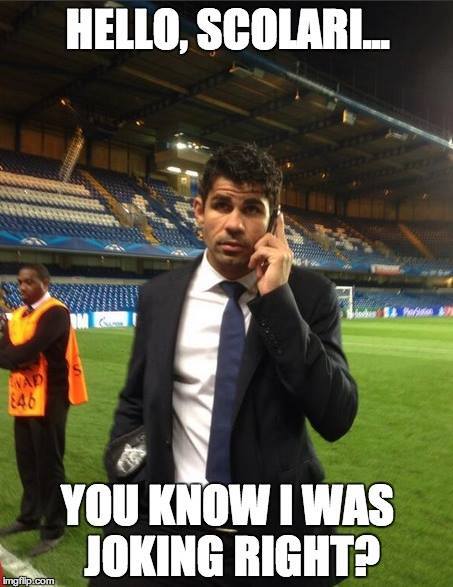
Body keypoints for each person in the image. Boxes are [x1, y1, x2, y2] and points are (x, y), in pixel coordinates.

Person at [97, 143, 358, 585]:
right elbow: (135, 401)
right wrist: (128, 481)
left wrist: (277, 299)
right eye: (222, 205)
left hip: (272, 541)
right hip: (173, 533)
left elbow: (336, 416)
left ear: (274, 221)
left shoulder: (311, 296)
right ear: (199, 211)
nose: (235, 223)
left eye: (252, 209)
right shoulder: (159, 296)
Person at [0, 263, 88, 556]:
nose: (22, 287)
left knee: (49, 463)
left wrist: (15, 356)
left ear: (45, 283)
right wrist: (15, 357)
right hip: (23, 397)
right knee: (27, 460)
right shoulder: (18, 316)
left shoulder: (55, 312)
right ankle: (29, 517)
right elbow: (8, 352)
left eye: (29, 282)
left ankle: (54, 527)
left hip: (50, 398)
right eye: (19, 282)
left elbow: (26, 351)